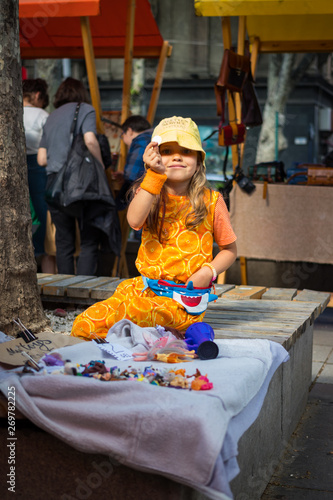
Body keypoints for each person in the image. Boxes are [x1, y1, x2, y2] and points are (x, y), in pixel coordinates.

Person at [71, 116, 237, 340]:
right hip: (143, 290)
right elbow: (134, 221)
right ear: (154, 156)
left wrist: (208, 272)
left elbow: (229, 250)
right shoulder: (149, 190)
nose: (177, 156)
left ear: (199, 160)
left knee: (131, 321)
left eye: (186, 150)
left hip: (183, 303)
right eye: (167, 150)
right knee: (85, 324)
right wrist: (153, 176)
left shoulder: (213, 201)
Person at [37, 77, 106, 276]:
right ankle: (83, 291)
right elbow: (90, 141)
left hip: (54, 185)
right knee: (89, 241)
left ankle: (66, 292)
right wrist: (100, 166)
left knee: (64, 241)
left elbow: (42, 159)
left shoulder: (51, 116)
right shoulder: (84, 109)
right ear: (81, 93)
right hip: (81, 184)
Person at [23, 78, 56, 273]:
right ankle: (43, 257)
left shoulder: (8, 110)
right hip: (38, 166)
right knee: (42, 213)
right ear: (37, 96)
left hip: (12, 165)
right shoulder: (44, 115)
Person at [112, 115, 152, 211]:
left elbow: (132, 176)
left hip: (144, 194)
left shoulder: (140, 140)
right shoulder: (155, 137)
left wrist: (125, 175)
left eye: (122, 135)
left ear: (129, 131)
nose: (123, 140)